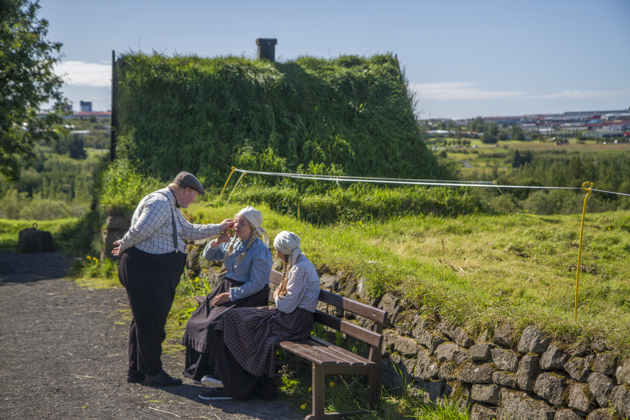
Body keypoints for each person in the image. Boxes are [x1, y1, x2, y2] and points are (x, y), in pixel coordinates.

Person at [112, 171, 234, 386]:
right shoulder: (160, 203)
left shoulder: (170, 204)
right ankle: (153, 372)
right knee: (152, 322)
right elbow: (140, 230)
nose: (195, 200)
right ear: (186, 190)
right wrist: (123, 244)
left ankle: (137, 370)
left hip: (151, 269)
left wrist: (219, 228)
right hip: (147, 269)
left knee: (142, 321)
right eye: (194, 195)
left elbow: (187, 230)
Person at [198, 230, 320, 401]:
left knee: (244, 326)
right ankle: (225, 376)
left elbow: (286, 307)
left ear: (282, 251)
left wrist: (277, 295)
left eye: (276, 250)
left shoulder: (300, 268)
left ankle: (237, 383)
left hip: (294, 321)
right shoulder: (296, 262)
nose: (275, 253)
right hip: (288, 316)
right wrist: (281, 296)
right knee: (230, 318)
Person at [182, 206, 273, 382]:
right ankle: (199, 370)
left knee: (212, 324)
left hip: (247, 296)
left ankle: (215, 372)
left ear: (252, 228)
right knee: (196, 319)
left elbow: (257, 284)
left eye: (242, 223)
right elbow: (209, 256)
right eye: (236, 222)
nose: (237, 226)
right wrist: (216, 243)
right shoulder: (234, 242)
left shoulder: (260, 250)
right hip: (227, 289)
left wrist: (230, 295)